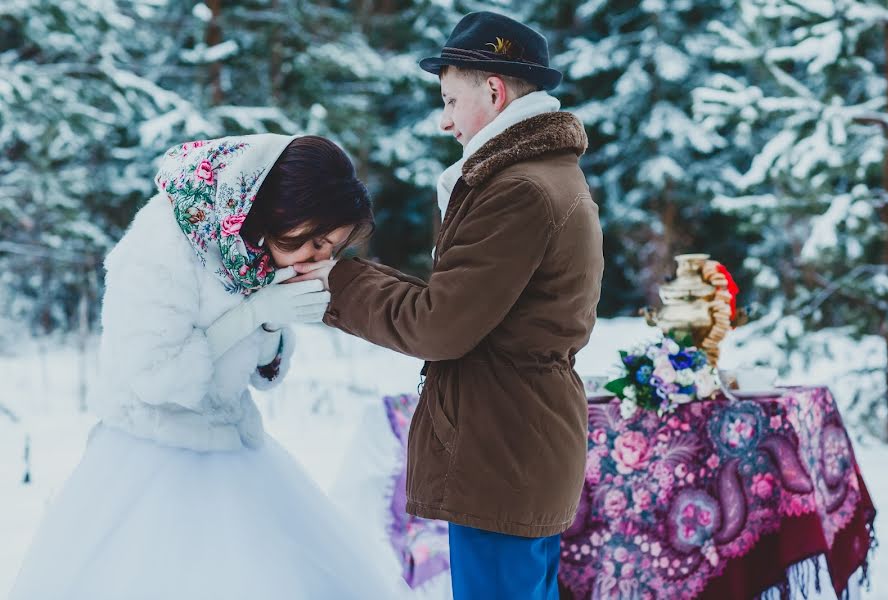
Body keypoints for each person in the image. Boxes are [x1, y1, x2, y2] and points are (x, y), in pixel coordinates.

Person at [10, 134, 402, 600]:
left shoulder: (250, 251)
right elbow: (156, 375)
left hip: (234, 450)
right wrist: (253, 315)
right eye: (316, 242)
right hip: (152, 457)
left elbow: (262, 372)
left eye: (331, 249)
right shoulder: (162, 244)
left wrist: (271, 323)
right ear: (276, 208)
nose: (319, 261)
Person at [294, 11, 605, 600]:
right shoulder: (540, 177)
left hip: (504, 450)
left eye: (451, 101)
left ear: (493, 91)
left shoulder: (519, 189)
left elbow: (439, 325)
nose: (444, 121)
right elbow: (459, 304)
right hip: (520, 442)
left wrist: (338, 284)